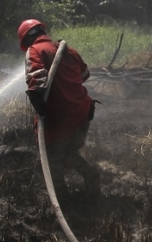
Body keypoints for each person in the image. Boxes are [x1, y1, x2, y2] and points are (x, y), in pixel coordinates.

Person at [18, 19, 101, 202]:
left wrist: (39, 103)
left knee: (50, 159)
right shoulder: (68, 50)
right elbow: (85, 75)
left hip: (60, 117)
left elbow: (36, 82)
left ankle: (62, 200)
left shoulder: (35, 50)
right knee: (68, 153)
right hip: (82, 114)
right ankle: (90, 175)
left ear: (26, 40)